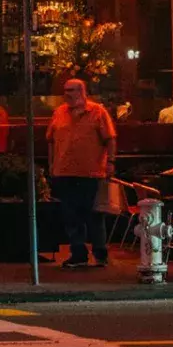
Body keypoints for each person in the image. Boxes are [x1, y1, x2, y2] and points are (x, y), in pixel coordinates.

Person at [47, 78, 117, 269]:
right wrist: (52, 166)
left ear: (82, 91)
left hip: (91, 173)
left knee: (93, 214)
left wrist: (111, 162)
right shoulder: (59, 112)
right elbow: (51, 141)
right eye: (65, 90)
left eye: (71, 90)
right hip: (64, 172)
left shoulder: (97, 112)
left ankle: (100, 253)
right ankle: (78, 254)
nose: (67, 94)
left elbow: (110, 139)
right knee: (71, 215)